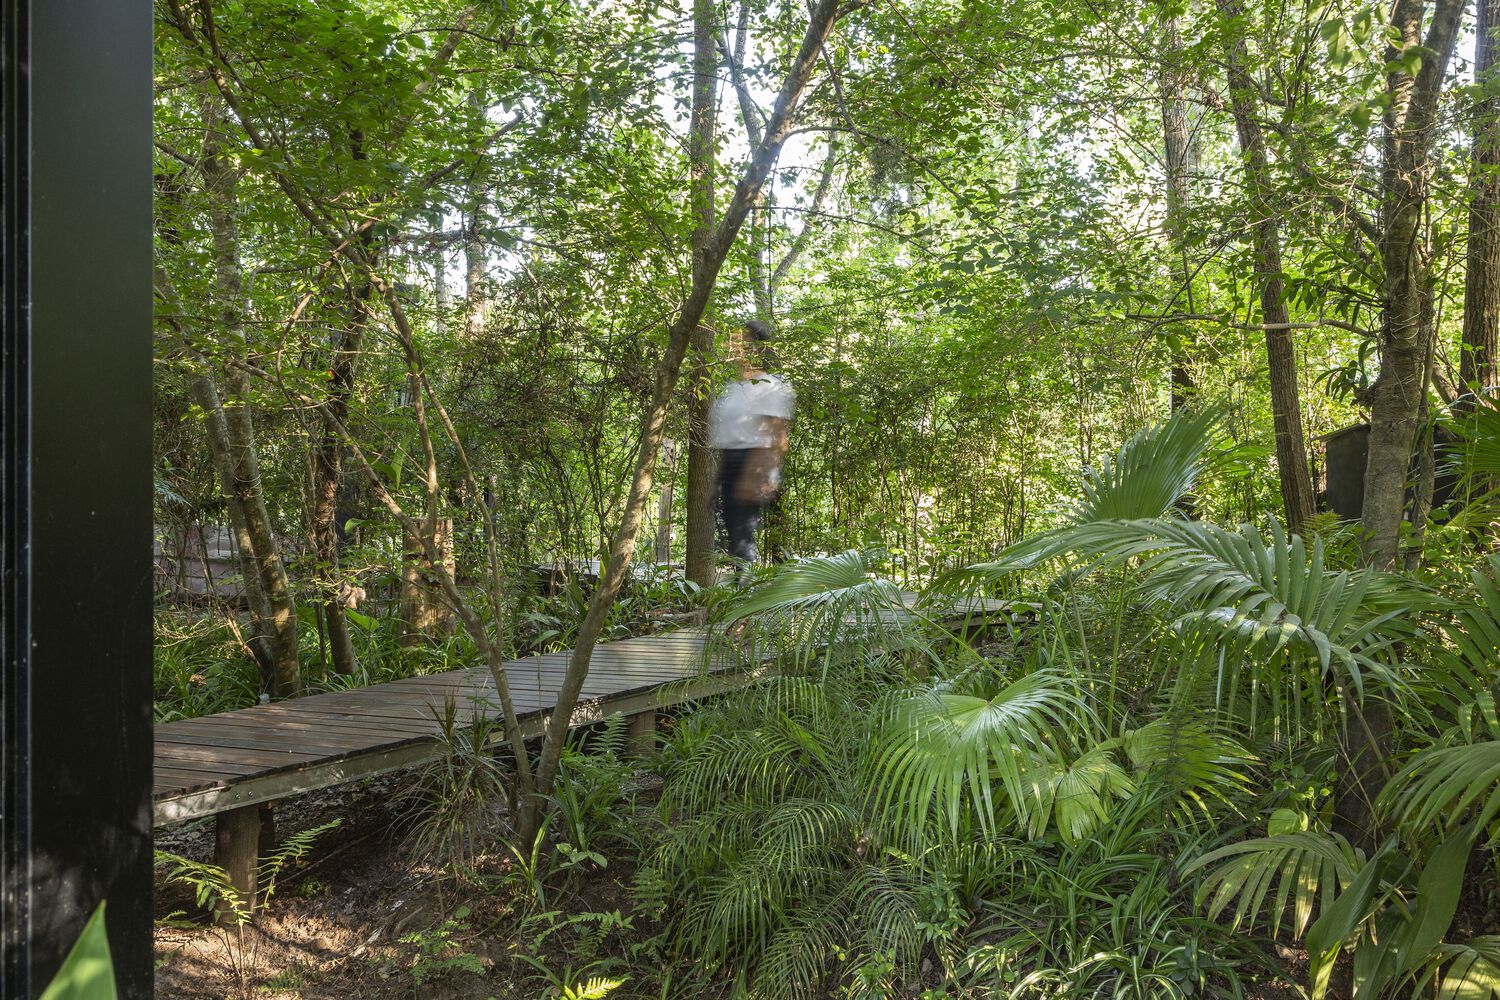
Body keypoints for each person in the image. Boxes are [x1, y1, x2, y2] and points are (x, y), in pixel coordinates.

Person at [709, 320, 795, 574]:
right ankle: (740, 600)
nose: (735, 347)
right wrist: (716, 481)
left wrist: (755, 476)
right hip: (730, 462)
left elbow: (776, 435)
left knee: (743, 540)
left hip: (753, 462)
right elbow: (728, 438)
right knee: (734, 541)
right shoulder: (733, 389)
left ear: (757, 348)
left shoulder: (770, 385)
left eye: (742, 342)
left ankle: (744, 603)